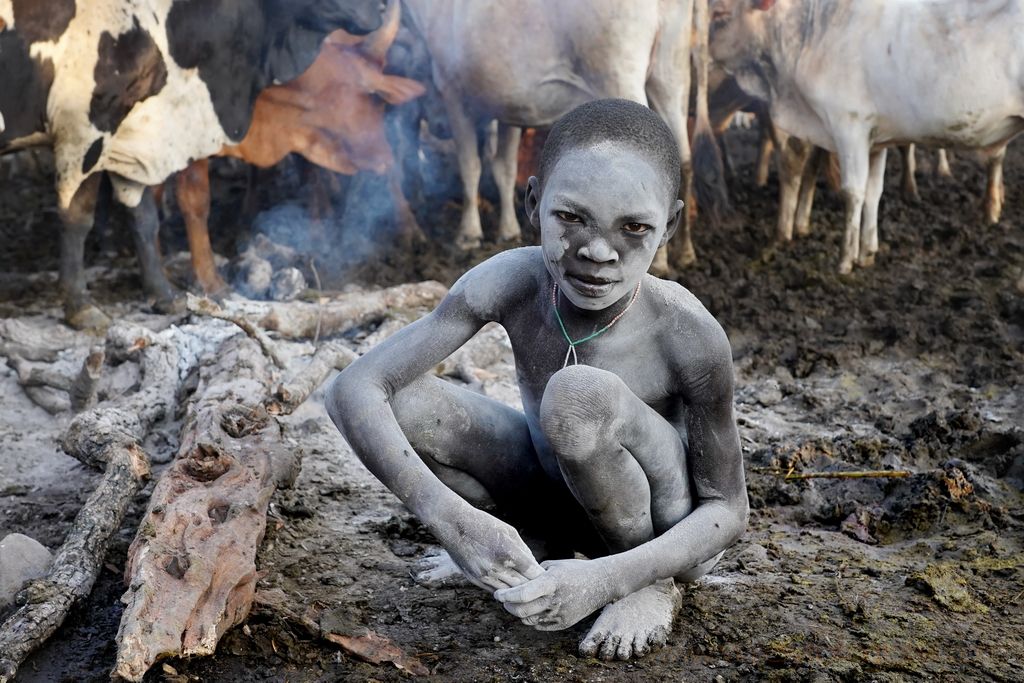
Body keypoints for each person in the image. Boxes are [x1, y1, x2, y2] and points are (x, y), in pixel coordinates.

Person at [326, 98, 748, 661]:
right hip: (554, 491)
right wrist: (452, 520)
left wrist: (609, 580)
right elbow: (352, 388)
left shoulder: (687, 331)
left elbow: (727, 511)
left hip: (661, 532)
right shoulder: (512, 281)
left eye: (634, 228)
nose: (597, 251)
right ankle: (535, 547)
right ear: (533, 203)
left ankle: (648, 587)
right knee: (405, 401)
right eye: (570, 218)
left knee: (577, 399)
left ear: (669, 224)